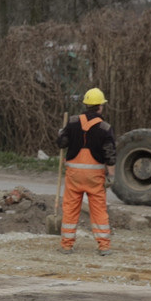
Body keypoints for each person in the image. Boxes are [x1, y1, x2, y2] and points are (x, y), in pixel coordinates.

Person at [56, 87, 117, 256]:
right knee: (98, 210)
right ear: (100, 106)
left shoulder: (73, 122)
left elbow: (62, 143)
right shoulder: (105, 127)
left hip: (74, 175)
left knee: (70, 209)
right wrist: (111, 175)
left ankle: (66, 245)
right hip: (94, 177)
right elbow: (110, 154)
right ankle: (103, 246)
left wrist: (61, 134)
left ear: (86, 105)